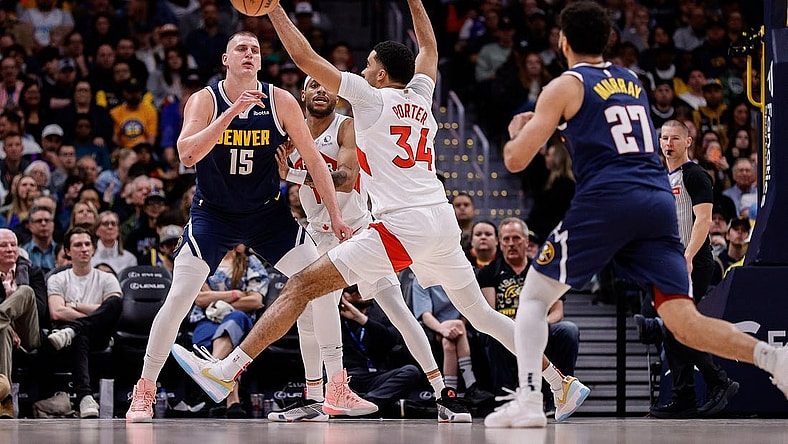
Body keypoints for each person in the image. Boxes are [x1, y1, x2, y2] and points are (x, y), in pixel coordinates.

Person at [171, 0, 587, 425]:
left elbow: (304, 58)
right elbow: (429, 47)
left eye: (369, 65)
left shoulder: (370, 99)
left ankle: (226, 371)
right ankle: (559, 382)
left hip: (401, 225)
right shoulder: (422, 96)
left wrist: (273, 9)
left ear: (382, 74)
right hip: (440, 221)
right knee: (481, 314)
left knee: (300, 286)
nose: (364, 70)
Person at [483, 2, 788, 428]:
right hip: (656, 201)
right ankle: (773, 358)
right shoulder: (631, 81)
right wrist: (560, 125)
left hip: (610, 196)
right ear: (608, 40)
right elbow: (604, 128)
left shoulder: (564, 85)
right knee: (683, 320)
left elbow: (516, 160)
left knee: (533, 298)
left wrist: (520, 130)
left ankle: (532, 401)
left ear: (562, 41)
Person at [124, 30, 351, 423]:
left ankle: (334, 388)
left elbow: (314, 160)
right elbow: (186, 153)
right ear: (226, 60)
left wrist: (335, 216)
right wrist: (232, 112)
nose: (249, 54)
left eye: (255, 50)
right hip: (213, 214)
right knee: (179, 296)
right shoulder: (206, 100)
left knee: (320, 286)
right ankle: (144, 390)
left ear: (260, 62)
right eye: (241, 49)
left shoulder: (280, 100)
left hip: (268, 215)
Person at [647, 120, 738, 418]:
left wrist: (686, 257)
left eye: (674, 138)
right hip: (667, 261)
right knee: (673, 330)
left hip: (692, 261)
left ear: (688, 142)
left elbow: (704, 220)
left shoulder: (695, 174)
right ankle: (684, 395)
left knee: (681, 327)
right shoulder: (661, 176)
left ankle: (718, 382)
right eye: (664, 138)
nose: (668, 143)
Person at [476, 217, 582, 420]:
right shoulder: (489, 272)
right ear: (499, 242)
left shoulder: (543, 270)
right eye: (506, 239)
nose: (511, 243)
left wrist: (537, 325)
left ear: (526, 241)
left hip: (541, 327)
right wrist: (518, 326)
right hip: (507, 327)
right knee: (495, 334)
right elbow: (491, 310)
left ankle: (557, 398)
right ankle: (508, 398)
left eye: (516, 238)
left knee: (568, 330)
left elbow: (558, 312)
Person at [46, 227, 123, 419]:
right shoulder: (57, 278)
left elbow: (111, 309)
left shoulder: (107, 278)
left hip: (100, 336)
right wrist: (97, 309)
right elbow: (56, 312)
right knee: (82, 335)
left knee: (115, 303)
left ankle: (74, 330)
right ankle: (85, 397)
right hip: (70, 336)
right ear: (68, 251)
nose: (84, 249)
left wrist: (72, 306)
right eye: (78, 245)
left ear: (94, 249)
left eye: (88, 244)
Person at [188, 244, 267, 418]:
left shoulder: (250, 262)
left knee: (233, 322)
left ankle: (213, 375)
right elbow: (199, 298)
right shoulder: (205, 261)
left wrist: (216, 301)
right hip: (206, 320)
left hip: (240, 319)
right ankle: (233, 401)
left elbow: (255, 300)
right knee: (226, 340)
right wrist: (235, 294)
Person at [336, 285, 422, 414]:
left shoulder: (382, 313)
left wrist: (362, 319)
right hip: (348, 376)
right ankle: (375, 406)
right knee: (329, 381)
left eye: (361, 289)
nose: (358, 294)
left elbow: (393, 339)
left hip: (376, 375)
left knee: (411, 371)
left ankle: (365, 403)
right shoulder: (336, 317)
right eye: (352, 291)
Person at [0, 229, 44, 418]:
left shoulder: (32, 270)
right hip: (4, 330)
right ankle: (5, 400)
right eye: (3, 245)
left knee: (26, 291)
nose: (10, 249)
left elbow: (41, 310)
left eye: (13, 244)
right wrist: (7, 325)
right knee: (3, 332)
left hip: (28, 331)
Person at [22, 206, 57, 272]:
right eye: (39, 221)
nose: (43, 224)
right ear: (30, 226)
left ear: (53, 224)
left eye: (47, 220)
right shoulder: (23, 253)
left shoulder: (61, 252)